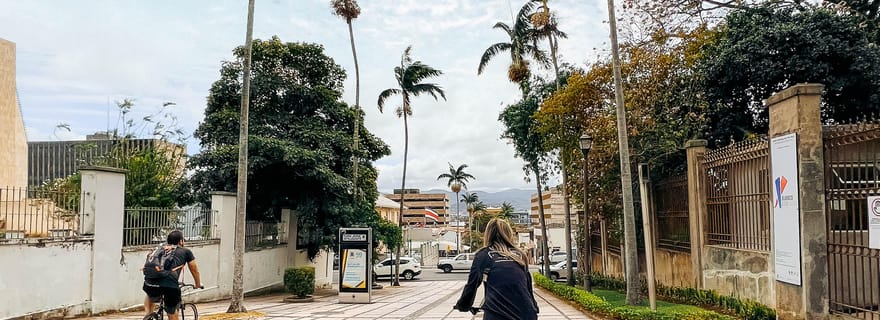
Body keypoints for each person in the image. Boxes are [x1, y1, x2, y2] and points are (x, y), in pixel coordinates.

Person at [453, 218, 539, 320]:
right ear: (508, 234)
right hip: (527, 314)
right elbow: (528, 287)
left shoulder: (483, 255)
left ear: (488, 235)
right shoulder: (519, 255)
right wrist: (534, 307)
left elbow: (471, 286)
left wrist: (463, 305)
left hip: (497, 315)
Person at [143, 230, 203, 320]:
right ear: (180, 241)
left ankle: (148, 316)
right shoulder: (186, 251)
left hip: (149, 282)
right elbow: (194, 270)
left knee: (150, 294)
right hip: (169, 285)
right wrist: (198, 284)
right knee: (172, 311)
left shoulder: (159, 248)